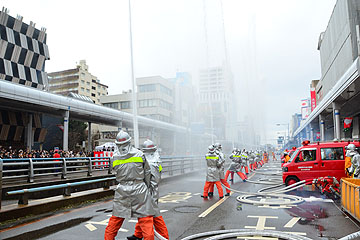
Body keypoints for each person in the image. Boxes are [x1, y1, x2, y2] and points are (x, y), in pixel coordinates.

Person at [104, 131, 158, 240]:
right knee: (146, 221)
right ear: (129, 141)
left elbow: (113, 172)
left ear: (117, 144)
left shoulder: (114, 157)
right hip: (140, 188)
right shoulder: (140, 154)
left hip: (122, 190)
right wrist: (146, 187)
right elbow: (147, 172)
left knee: (115, 221)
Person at [127, 139, 169, 240]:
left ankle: (164, 237)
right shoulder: (156, 159)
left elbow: (148, 179)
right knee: (143, 214)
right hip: (152, 190)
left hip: (149, 191)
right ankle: (138, 234)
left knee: (153, 216)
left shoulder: (150, 162)